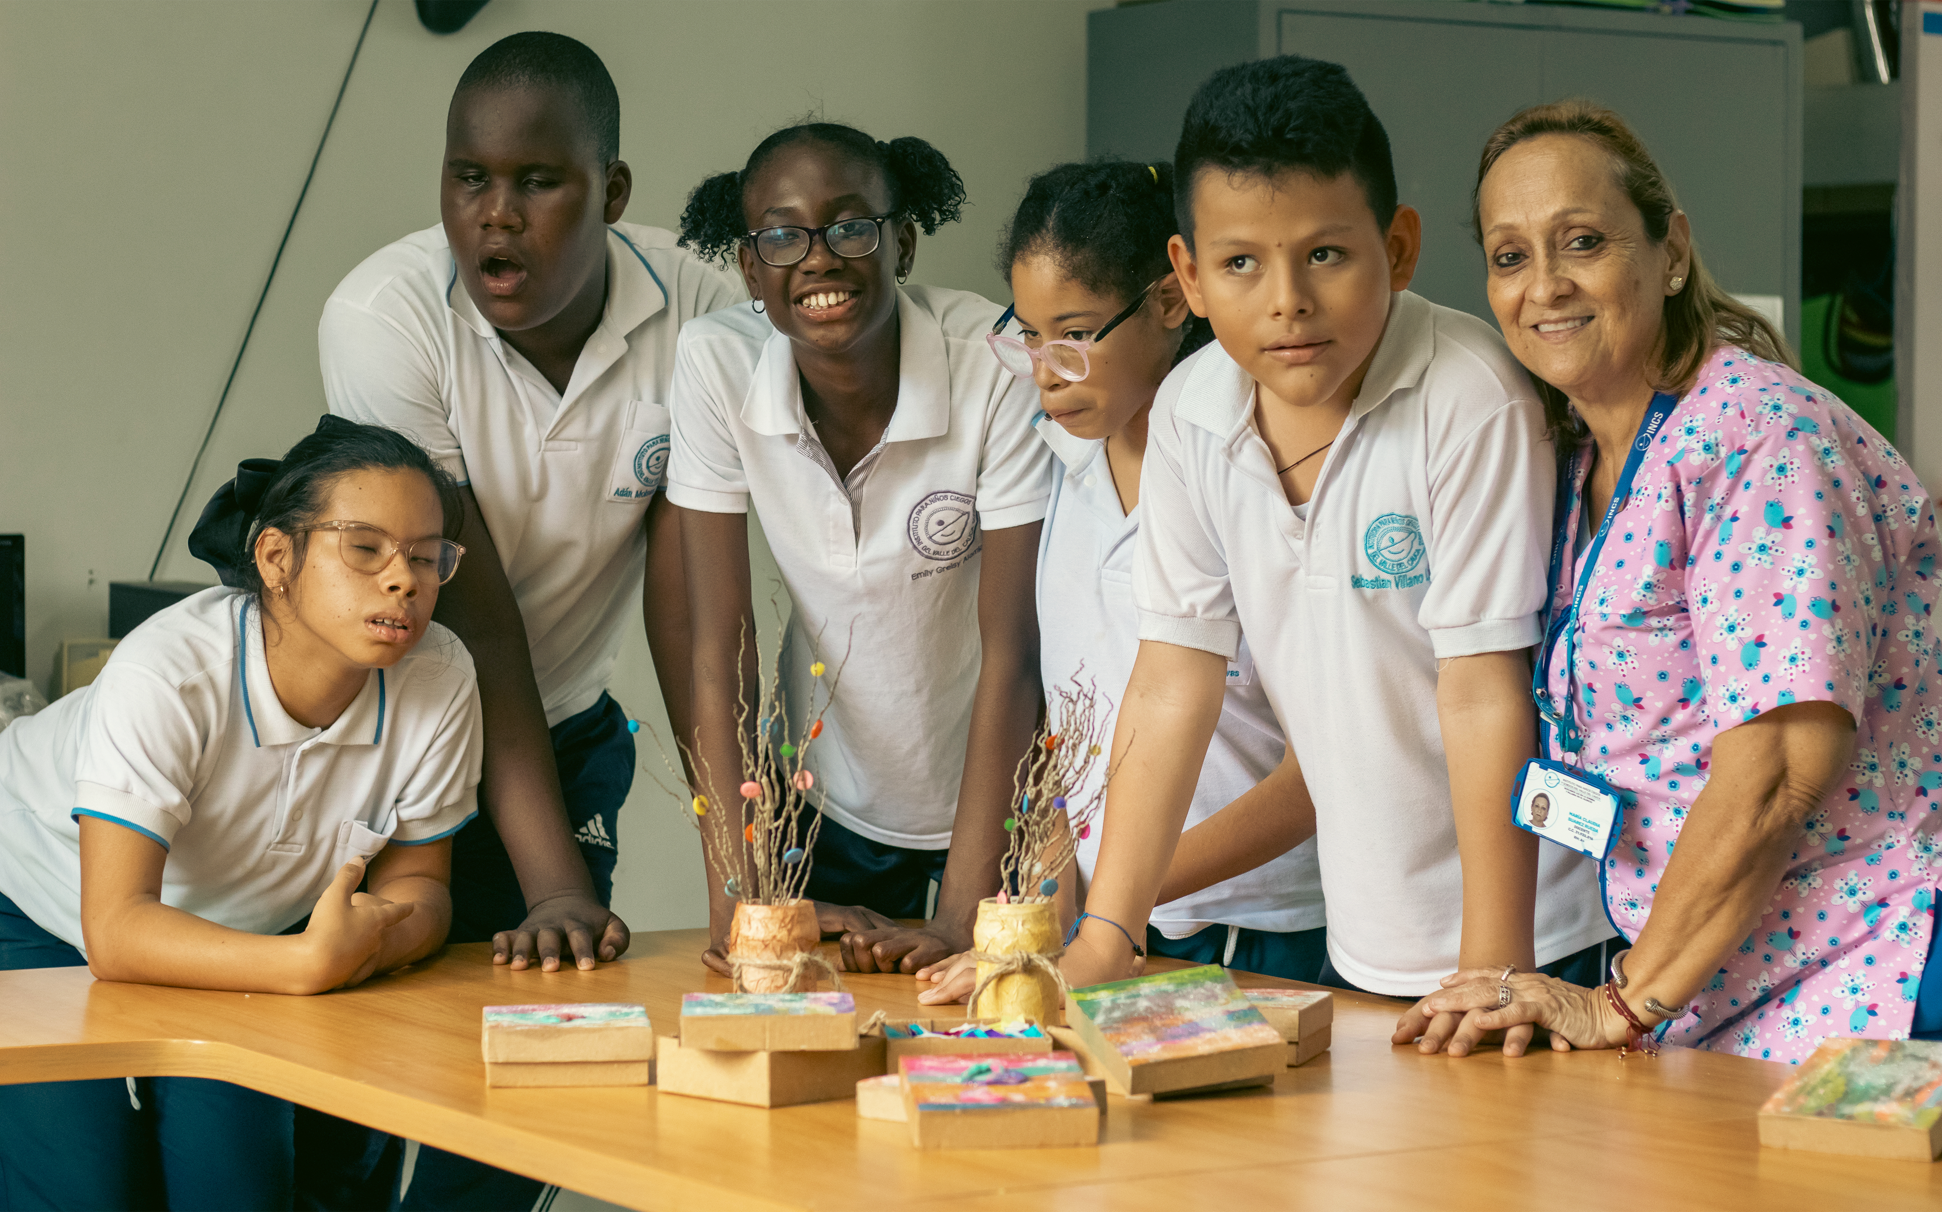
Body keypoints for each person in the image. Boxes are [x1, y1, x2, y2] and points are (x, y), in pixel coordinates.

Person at [1065, 57, 1613, 1056]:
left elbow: (1483, 692)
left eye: (1325, 254)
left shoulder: (1468, 397)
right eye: (1240, 264)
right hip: (1364, 934)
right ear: (1187, 275)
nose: (1288, 301)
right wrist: (1107, 930)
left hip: (1541, 939)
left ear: (1397, 248)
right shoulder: (1191, 411)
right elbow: (1172, 680)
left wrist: (1495, 966)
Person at [1407, 99, 1942, 1062]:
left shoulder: (1760, 435)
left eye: (1583, 241)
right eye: (1510, 255)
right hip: (1723, 980)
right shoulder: (1579, 456)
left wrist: (1619, 1005)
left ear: (1673, 253)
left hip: (1872, 966)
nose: (1546, 285)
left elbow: (1781, 767)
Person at [0, 417, 479, 1211]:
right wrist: (306, 965)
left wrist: (374, 939)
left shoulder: (440, 677)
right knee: (86, 1190)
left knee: (236, 1186)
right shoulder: (171, 674)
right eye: (365, 548)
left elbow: (422, 884)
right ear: (277, 558)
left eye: (427, 558)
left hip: (241, 940)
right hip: (33, 901)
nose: (404, 580)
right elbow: (114, 930)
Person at [917, 159, 1326, 1005]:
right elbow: (1073, 734)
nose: (1046, 372)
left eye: (1073, 335)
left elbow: (1319, 775)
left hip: (1260, 931)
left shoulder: (1259, 478)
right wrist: (1043, 911)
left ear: (1172, 298)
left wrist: (1114, 896)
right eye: (1028, 337)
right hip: (1110, 926)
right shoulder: (1063, 471)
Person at [668, 122, 1051, 977]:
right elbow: (719, 644)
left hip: (1002, 805)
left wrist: (960, 916)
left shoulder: (994, 362)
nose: (818, 259)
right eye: (783, 237)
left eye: (850, 227)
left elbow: (1016, 649)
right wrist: (739, 895)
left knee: (994, 1036)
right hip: (827, 805)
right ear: (749, 267)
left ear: (902, 241)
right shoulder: (716, 364)